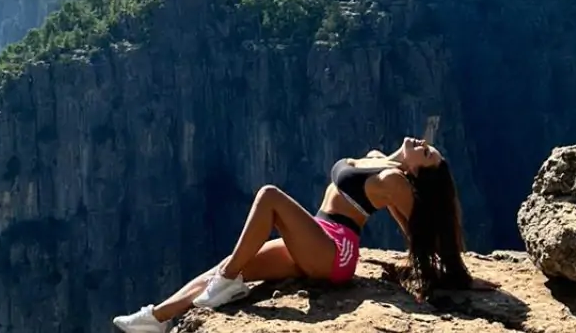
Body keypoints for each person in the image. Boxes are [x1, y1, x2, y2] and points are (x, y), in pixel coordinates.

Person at [112, 136, 490, 333]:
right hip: (318, 237)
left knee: (270, 197)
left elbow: (416, 227)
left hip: (336, 251)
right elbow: (400, 214)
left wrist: (449, 267)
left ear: (418, 174)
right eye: (428, 147)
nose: (422, 146)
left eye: (427, 155)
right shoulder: (384, 161)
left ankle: (227, 283)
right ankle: (157, 317)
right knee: (229, 262)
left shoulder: (396, 182)